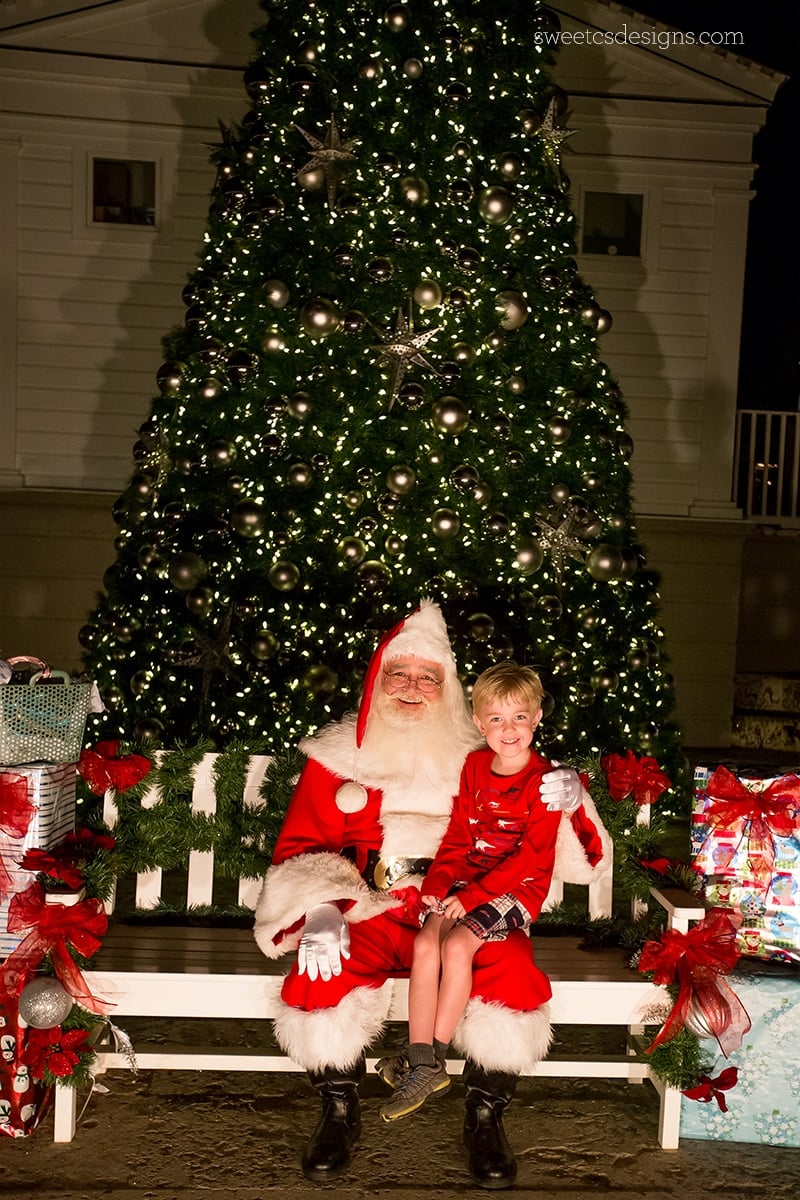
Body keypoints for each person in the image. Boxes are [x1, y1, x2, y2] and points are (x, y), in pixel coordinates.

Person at [254, 600, 611, 1189]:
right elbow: (300, 844)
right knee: (321, 970)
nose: (412, 688)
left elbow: (569, 854)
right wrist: (319, 905)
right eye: (399, 674)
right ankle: (339, 1111)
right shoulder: (337, 759)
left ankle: (485, 1115)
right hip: (370, 904)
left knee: (513, 970)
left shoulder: (487, 754)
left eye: (428, 677)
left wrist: (570, 796)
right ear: (378, 679)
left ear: (449, 690)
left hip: (463, 905)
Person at [378, 661, 562, 1123]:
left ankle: (422, 1062)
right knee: (426, 942)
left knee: (458, 945)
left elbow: (531, 859)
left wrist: (473, 897)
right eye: (497, 719)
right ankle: (424, 1062)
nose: (509, 729)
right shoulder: (476, 765)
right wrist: (438, 886)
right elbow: (460, 835)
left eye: (519, 717)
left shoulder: (544, 783)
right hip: (465, 882)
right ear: (480, 723)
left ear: (537, 717)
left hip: (516, 889)